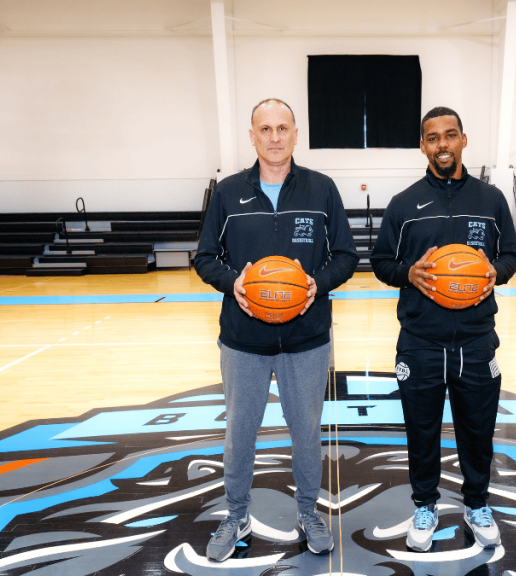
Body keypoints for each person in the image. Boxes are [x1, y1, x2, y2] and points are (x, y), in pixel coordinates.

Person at [195, 98, 358, 561]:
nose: (274, 136)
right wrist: (235, 282)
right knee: (239, 434)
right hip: (244, 340)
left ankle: (309, 511)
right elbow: (205, 258)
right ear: (252, 136)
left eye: (282, 127)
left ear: (294, 133)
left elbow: (346, 256)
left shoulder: (321, 189)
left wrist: (315, 284)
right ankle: (236, 513)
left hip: (306, 339)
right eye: (264, 128)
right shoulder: (228, 193)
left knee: (305, 432)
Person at [370, 106, 516, 552]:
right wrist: (408, 274)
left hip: (476, 339)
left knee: (479, 429)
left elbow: (512, 255)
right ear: (423, 145)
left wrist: (495, 271)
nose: (442, 144)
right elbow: (380, 262)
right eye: (433, 137)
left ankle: (476, 504)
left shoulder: (491, 200)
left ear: (463, 140)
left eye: (450, 135)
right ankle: (425, 506)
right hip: (420, 339)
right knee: (422, 430)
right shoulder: (404, 204)